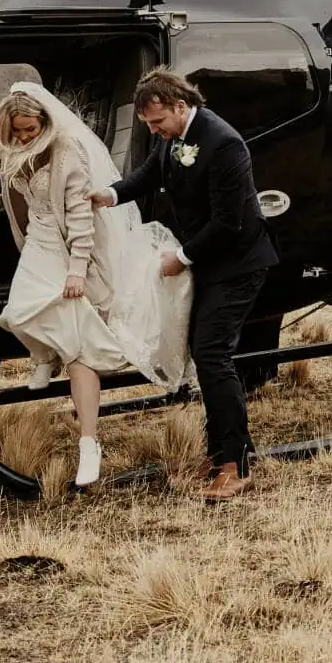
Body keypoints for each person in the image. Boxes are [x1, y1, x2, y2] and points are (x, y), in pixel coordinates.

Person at [0, 83, 189, 489]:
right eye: (17, 131)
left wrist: (78, 270)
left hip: (70, 247)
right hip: (39, 244)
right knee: (18, 315)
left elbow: (80, 221)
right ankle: (45, 355)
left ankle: (89, 442)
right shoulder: (14, 149)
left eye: (30, 129)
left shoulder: (67, 153)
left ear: (45, 121)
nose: (24, 137)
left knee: (78, 347)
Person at [91, 69, 277, 501]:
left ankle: (235, 465)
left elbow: (228, 223)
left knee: (212, 354)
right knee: (205, 353)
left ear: (180, 105)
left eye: (158, 123)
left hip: (238, 263)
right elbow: (148, 175)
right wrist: (109, 195)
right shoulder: (173, 138)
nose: (155, 132)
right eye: (150, 126)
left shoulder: (224, 143)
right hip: (210, 263)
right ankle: (222, 453)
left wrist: (182, 257)